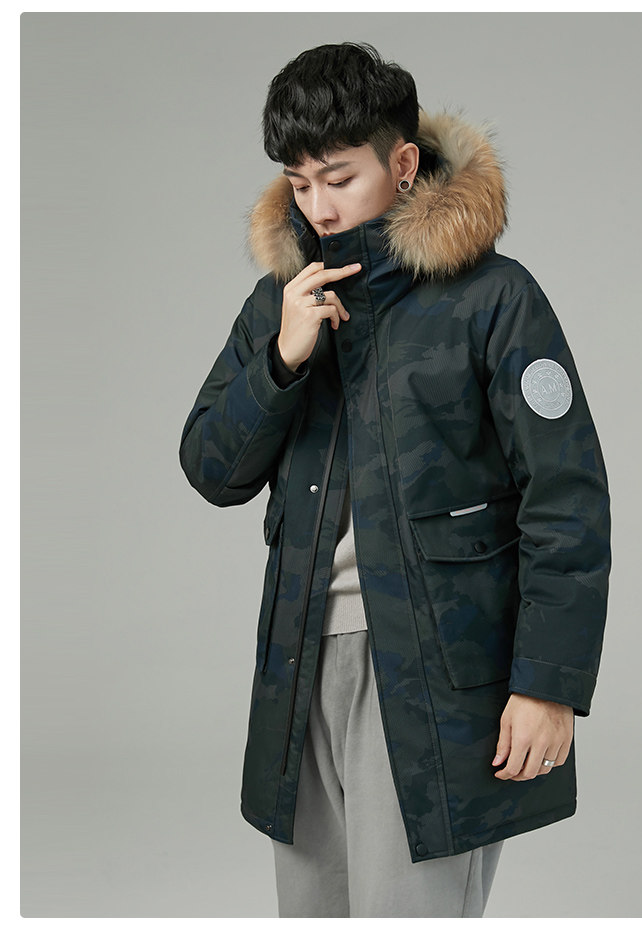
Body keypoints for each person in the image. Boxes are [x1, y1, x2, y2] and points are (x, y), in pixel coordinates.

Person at [179, 42, 611, 918]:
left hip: (433, 672)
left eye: (339, 178)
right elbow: (212, 469)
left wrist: (549, 682)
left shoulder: (493, 299)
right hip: (298, 664)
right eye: (299, 183)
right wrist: (283, 358)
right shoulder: (279, 303)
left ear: (403, 164)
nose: (318, 205)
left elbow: (566, 497)